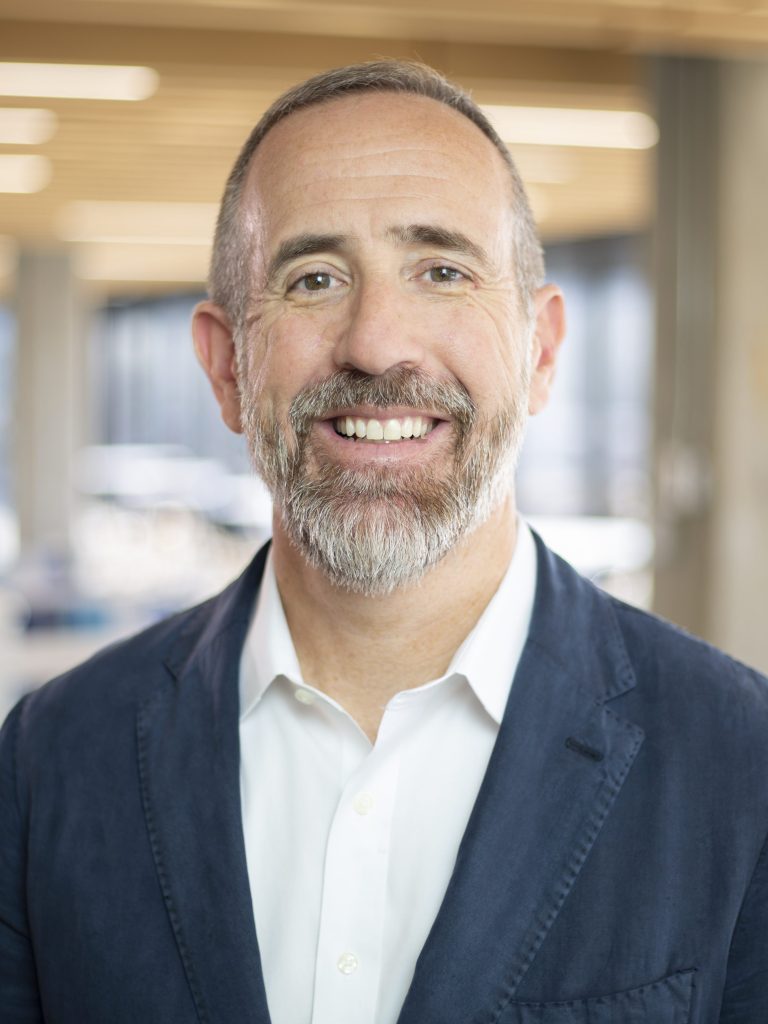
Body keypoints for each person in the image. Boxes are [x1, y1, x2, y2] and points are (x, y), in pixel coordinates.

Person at [1, 59, 767, 1024]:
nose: (375, 341)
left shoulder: (742, 764)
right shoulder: (50, 760)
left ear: (541, 352)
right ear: (226, 366)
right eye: (313, 278)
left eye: (442, 270)